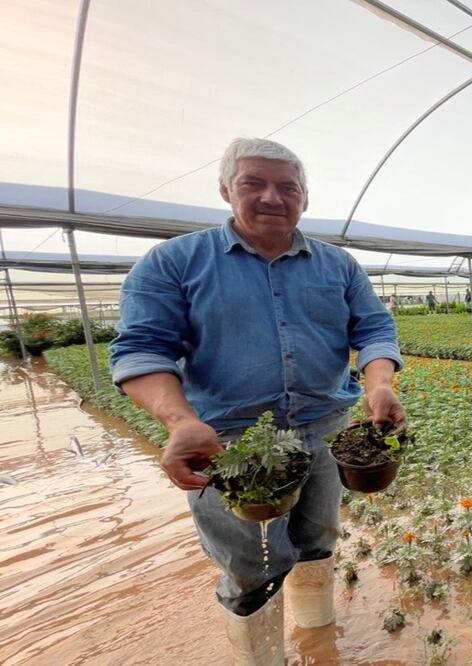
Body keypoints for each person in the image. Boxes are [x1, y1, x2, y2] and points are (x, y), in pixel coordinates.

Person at [108, 138, 405, 665]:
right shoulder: (174, 262)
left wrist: (379, 382)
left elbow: (375, 328)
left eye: (288, 187)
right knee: (247, 563)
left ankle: (318, 640)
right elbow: (141, 349)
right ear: (226, 190)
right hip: (228, 442)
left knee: (318, 537)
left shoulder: (337, 265)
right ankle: (261, 656)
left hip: (325, 427)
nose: (272, 197)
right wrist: (178, 420)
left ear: (304, 198)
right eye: (254, 183)